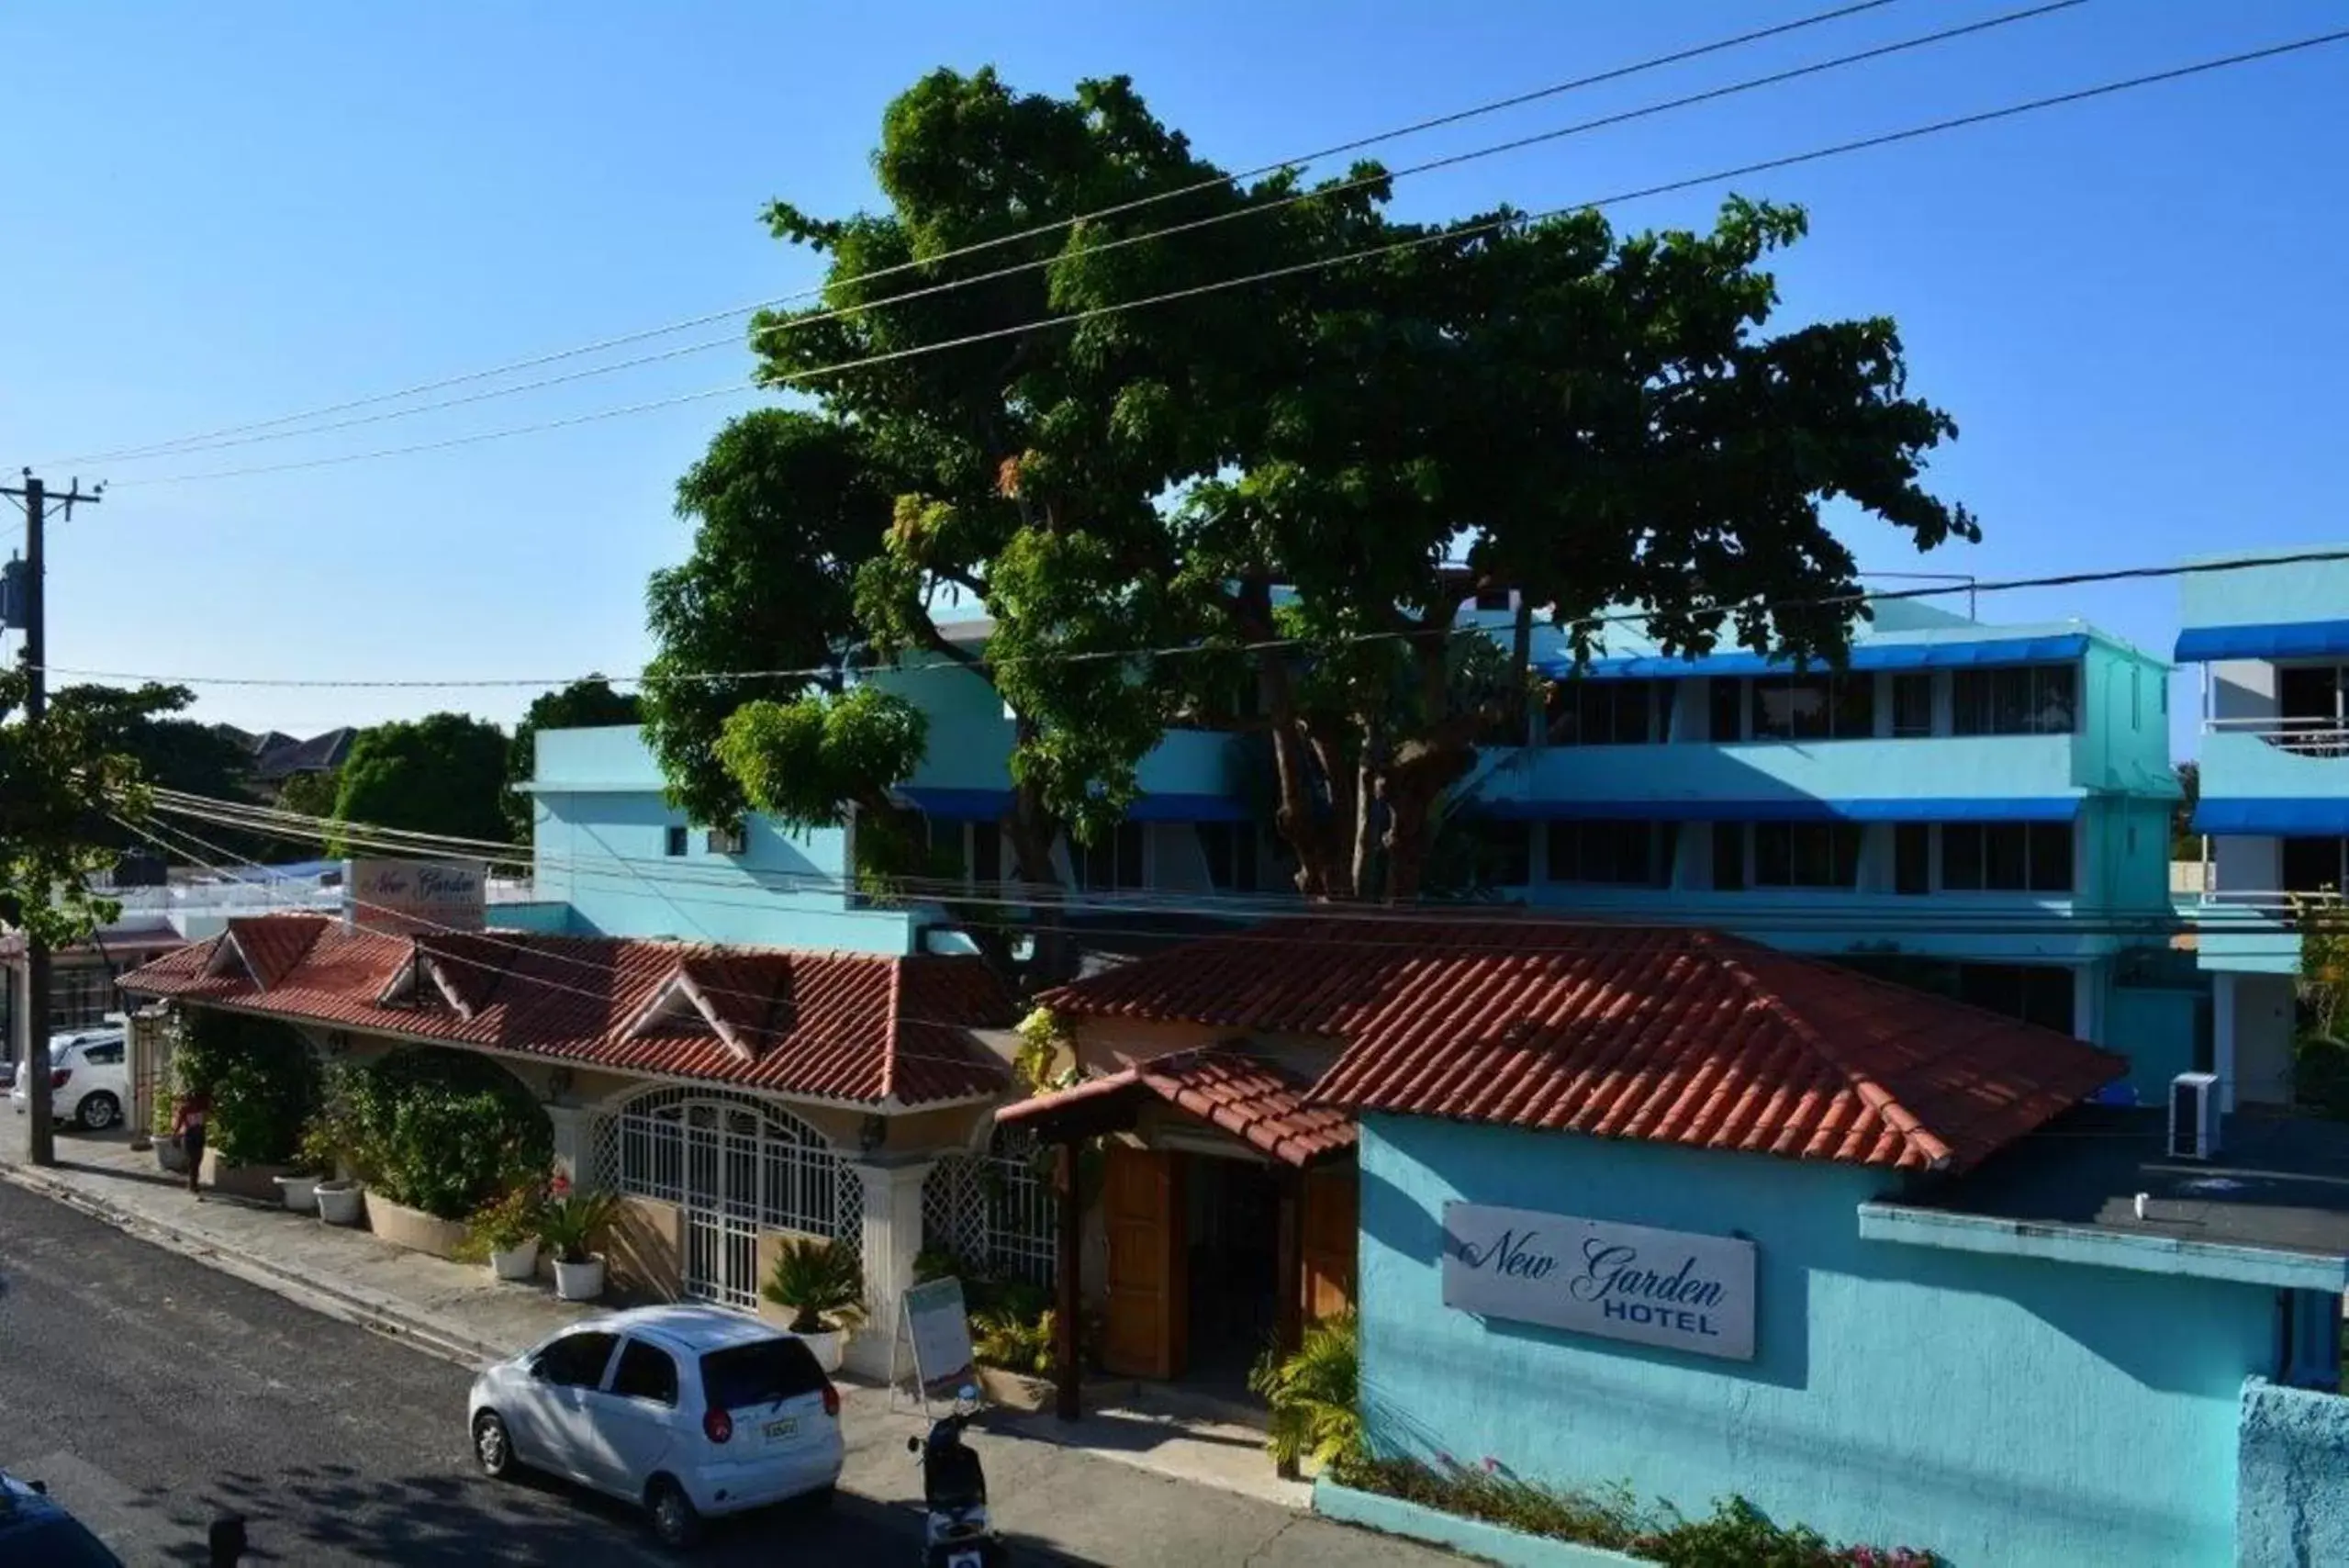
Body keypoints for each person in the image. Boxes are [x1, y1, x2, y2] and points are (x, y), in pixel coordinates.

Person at [173, 1088, 212, 1199]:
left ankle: (193, 1183)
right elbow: (179, 1123)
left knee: (197, 1160)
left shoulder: (201, 1107)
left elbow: (208, 1115)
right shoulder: (185, 1109)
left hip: (198, 1134)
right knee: (193, 1160)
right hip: (191, 1135)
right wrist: (175, 1134)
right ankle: (193, 1184)